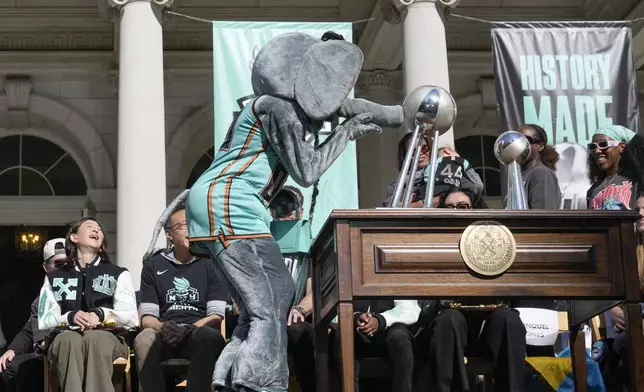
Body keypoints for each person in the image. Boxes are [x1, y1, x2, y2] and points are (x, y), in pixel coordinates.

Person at [180, 31, 403, 392]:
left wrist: (395, 114)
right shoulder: (279, 108)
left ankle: (229, 376)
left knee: (259, 304)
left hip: (219, 201)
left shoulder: (265, 104)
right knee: (275, 294)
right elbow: (307, 171)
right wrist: (345, 135)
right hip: (231, 201)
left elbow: (343, 107)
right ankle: (259, 383)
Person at [420, 189, 527, 392]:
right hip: (452, 333)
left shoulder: (494, 240)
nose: (455, 211)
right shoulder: (435, 244)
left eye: (462, 206)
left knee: (509, 319)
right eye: (449, 207)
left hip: (489, 329)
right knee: (448, 319)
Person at [37, 218, 138, 392]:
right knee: (69, 340)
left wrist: (100, 314)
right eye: (89, 227)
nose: (96, 230)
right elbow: (44, 319)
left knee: (95, 339)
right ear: (74, 238)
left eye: (99, 229)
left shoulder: (118, 273)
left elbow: (131, 317)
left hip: (108, 338)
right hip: (65, 337)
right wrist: (70, 316)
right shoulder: (54, 278)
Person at [135, 204, 227, 392]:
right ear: (169, 235)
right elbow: (147, 317)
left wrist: (187, 329)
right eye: (184, 225)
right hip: (164, 332)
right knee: (144, 339)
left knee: (210, 337)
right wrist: (161, 327)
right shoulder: (153, 266)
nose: (191, 230)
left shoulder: (212, 263)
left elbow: (216, 315)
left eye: (194, 224)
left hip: (197, 331)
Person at [0, 238, 66, 392]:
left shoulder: (81, 291)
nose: (65, 268)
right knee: (8, 366)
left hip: (65, 351)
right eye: (59, 263)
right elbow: (29, 329)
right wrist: (13, 350)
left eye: (70, 263)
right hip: (42, 353)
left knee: (28, 370)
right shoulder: (42, 298)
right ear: (46, 267)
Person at [269, 186, 316, 392]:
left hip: (297, 320)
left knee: (299, 334)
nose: (285, 214)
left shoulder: (312, 249)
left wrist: (300, 310)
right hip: (266, 317)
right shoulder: (263, 246)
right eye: (280, 209)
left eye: (289, 209)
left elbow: (314, 293)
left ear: (300, 211)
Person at [331, 300, 421, 392]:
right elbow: (331, 312)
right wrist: (355, 317)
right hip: (355, 327)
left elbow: (409, 309)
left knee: (400, 338)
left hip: (390, 326)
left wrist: (380, 320)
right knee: (344, 335)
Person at [382, 133, 483, 207]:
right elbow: (390, 206)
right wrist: (425, 203)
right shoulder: (399, 184)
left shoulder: (449, 173)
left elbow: (474, 190)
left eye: (425, 148)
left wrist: (458, 161)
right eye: (413, 151)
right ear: (405, 156)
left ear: (432, 150)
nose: (420, 153)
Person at [586, 125, 644, 210]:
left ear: (622, 147)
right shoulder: (592, 190)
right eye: (593, 146)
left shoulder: (637, 180)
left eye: (603, 144)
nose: (597, 151)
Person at [516, 124, 562, 209]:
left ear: (540, 146)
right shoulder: (521, 175)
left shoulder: (541, 173)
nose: (519, 144)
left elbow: (542, 217)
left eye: (525, 140)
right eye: (516, 140)